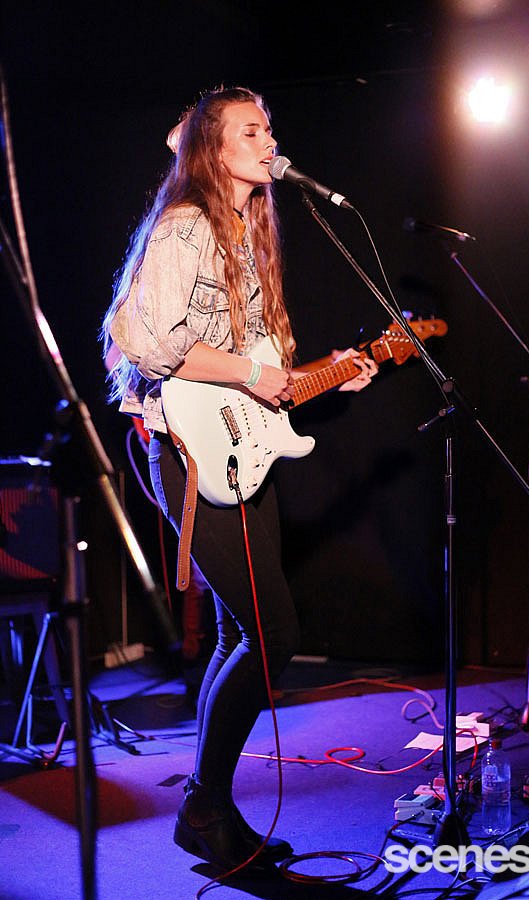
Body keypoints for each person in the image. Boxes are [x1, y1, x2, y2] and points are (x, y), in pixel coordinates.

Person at [102, 86, 377, 872]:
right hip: (186, 450)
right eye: (250, 131)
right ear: (213, 150)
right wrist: (256, 377)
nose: (269, 142)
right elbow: (151, 343)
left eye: (269, 129)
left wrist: (326, 373)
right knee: (273, 633)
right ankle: (204, 803)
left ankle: (209, 812)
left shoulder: (246, 231)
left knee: (236, 632)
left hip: (236, 442)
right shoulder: (185, 225)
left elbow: (253, 367)